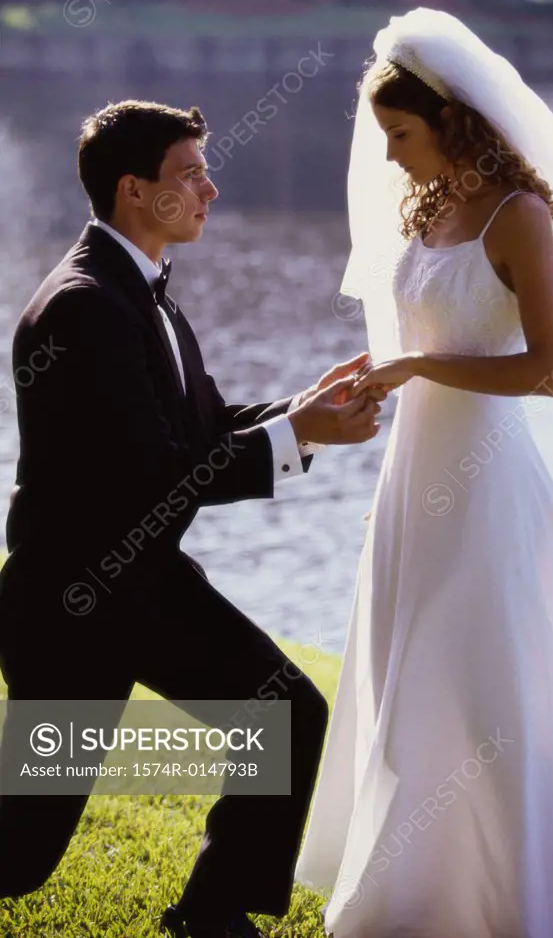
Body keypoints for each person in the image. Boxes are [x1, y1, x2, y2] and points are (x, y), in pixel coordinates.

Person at [294, 9, 553, 937]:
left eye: (400, 135)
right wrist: (376, 370)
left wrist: (421, 366)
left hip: (486, 483)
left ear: (452, 120)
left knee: (487, 679)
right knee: (410, 673)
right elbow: (421, 331)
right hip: (411, 478)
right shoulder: (425, 209)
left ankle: (531, 896)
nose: (387, 156)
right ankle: (420, 891)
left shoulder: (519, 216)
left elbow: (549, 371)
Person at [0, 99, 386, 938]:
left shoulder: (144, 295)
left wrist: (304, 408)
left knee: (282, 711)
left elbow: (200, 429)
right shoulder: (86, 307)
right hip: (75, 608)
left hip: (142, 589)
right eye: (191, 174)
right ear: (135, 190)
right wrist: (297, 435)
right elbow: (152, 477)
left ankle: (211, 915)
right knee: (22, 853)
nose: (210, 189)